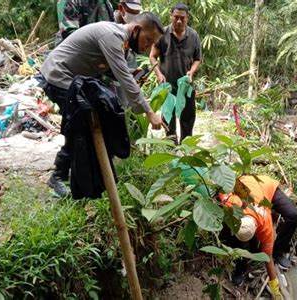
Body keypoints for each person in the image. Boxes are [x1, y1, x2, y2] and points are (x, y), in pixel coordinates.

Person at [40, 13, 167, 197]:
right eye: (147, 40)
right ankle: (60, 177)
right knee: (80, 127)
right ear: (136, 30)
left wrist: (132, 72)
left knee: (86, 125)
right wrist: (149, 112)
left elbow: (113, 71)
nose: (147, 47)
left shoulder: (121, 42)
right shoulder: (112, 36)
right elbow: (124, 79)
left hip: (72, 79)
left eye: (151, 44)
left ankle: (88, 179)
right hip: (59, 75)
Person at [219, 175, 297, 296]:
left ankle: (279, 251)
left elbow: (267, 258)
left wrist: (275, 288)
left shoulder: (264, 219)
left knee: (294, 216)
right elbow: (221, 190)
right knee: (229, 235)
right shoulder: (230, 202)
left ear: (257, 227)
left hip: (265, 186)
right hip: (246, 185)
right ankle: (241, 265)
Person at [149, 3, 202, 144]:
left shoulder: (194, 35)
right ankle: (171, 150)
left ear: (187, 18)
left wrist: (191, 71)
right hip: (167, 86)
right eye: (176, 17)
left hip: (186, 85)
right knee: (168, 119)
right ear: (171, 16)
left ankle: (186, 149)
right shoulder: (162, 34)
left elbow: (198, 59)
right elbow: (152, 56)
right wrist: (158, 74)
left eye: (182, 18)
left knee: (187, 119)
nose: (179, 21)